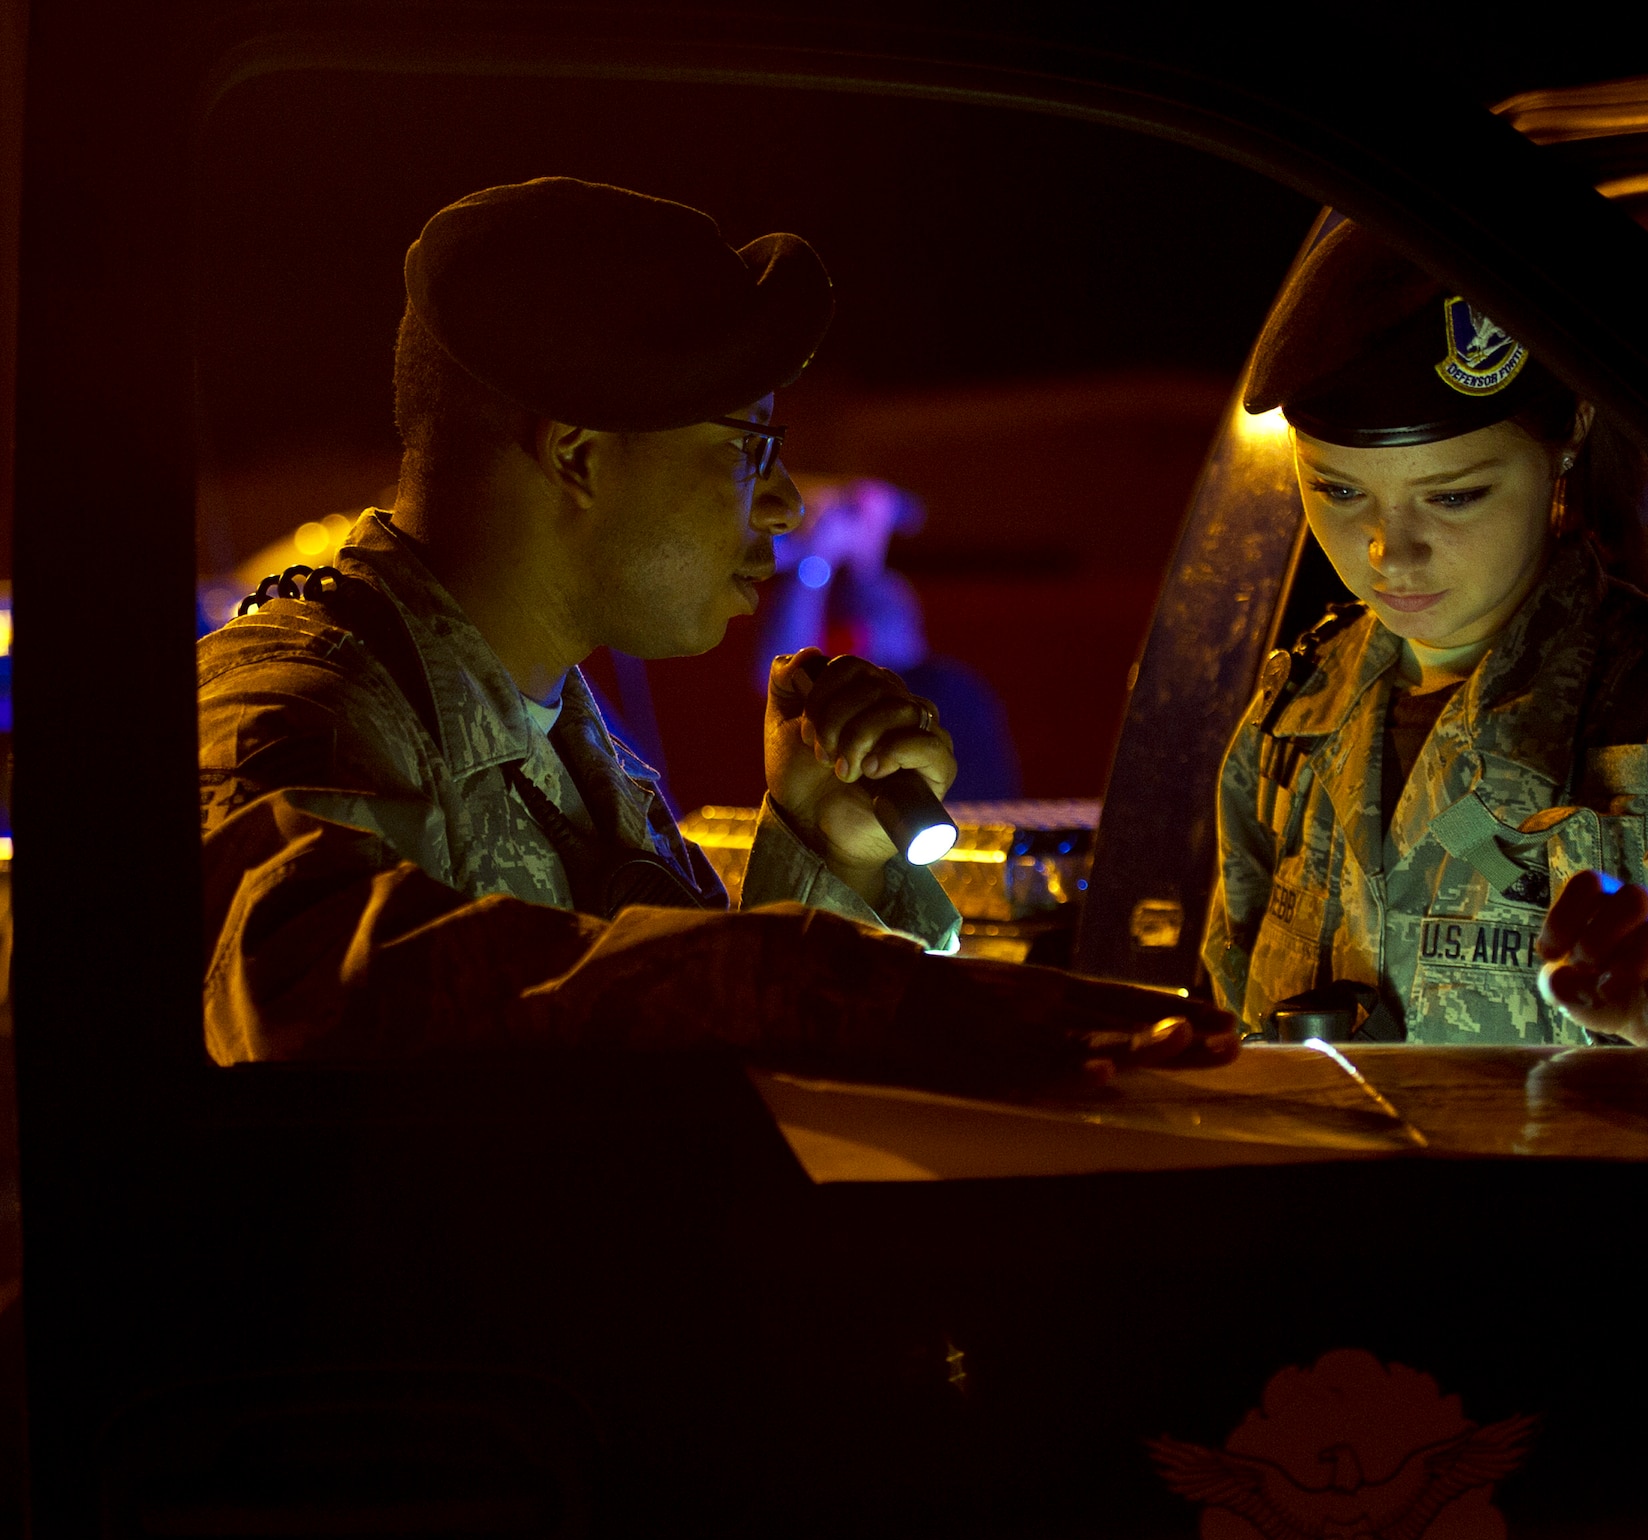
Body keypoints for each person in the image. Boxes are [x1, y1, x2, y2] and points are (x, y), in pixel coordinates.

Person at [198, 177, 1233, 1082]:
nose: (783, 504)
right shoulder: (293, 703)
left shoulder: (568, 741)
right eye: (751, 448)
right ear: (578, 456)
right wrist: (799, 978)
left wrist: (830, 852)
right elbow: (305, 988)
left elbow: (676, 1088)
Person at [1202, 221, 1648, 1047]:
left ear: (1567, 442)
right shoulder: (1297, 718)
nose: (1390, 551)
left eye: (1454, 497)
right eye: (1340, 494)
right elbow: (1226, 1020)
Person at [759, 475, 1022, 799]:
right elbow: (779, 672)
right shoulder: (936, 685)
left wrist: (822, 554)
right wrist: (841, 549)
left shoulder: (948, 688)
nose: (882, 592)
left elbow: (782, 665)